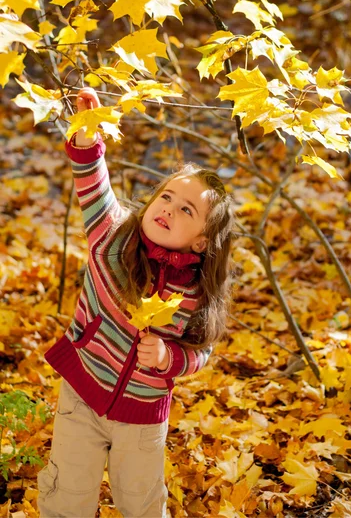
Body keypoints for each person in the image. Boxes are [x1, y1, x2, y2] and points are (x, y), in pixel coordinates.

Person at [37, 87, 236, 518]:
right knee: (67, 496)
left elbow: (202, 350)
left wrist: (170, 358)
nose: (169, 209)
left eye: (187, 210)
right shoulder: (111, 237)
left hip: (143, 416)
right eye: (166, 197)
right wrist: (88, 139)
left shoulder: (197, 293)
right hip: (82, 394)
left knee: (141, 503)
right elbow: (92, 184)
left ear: (202, 241)